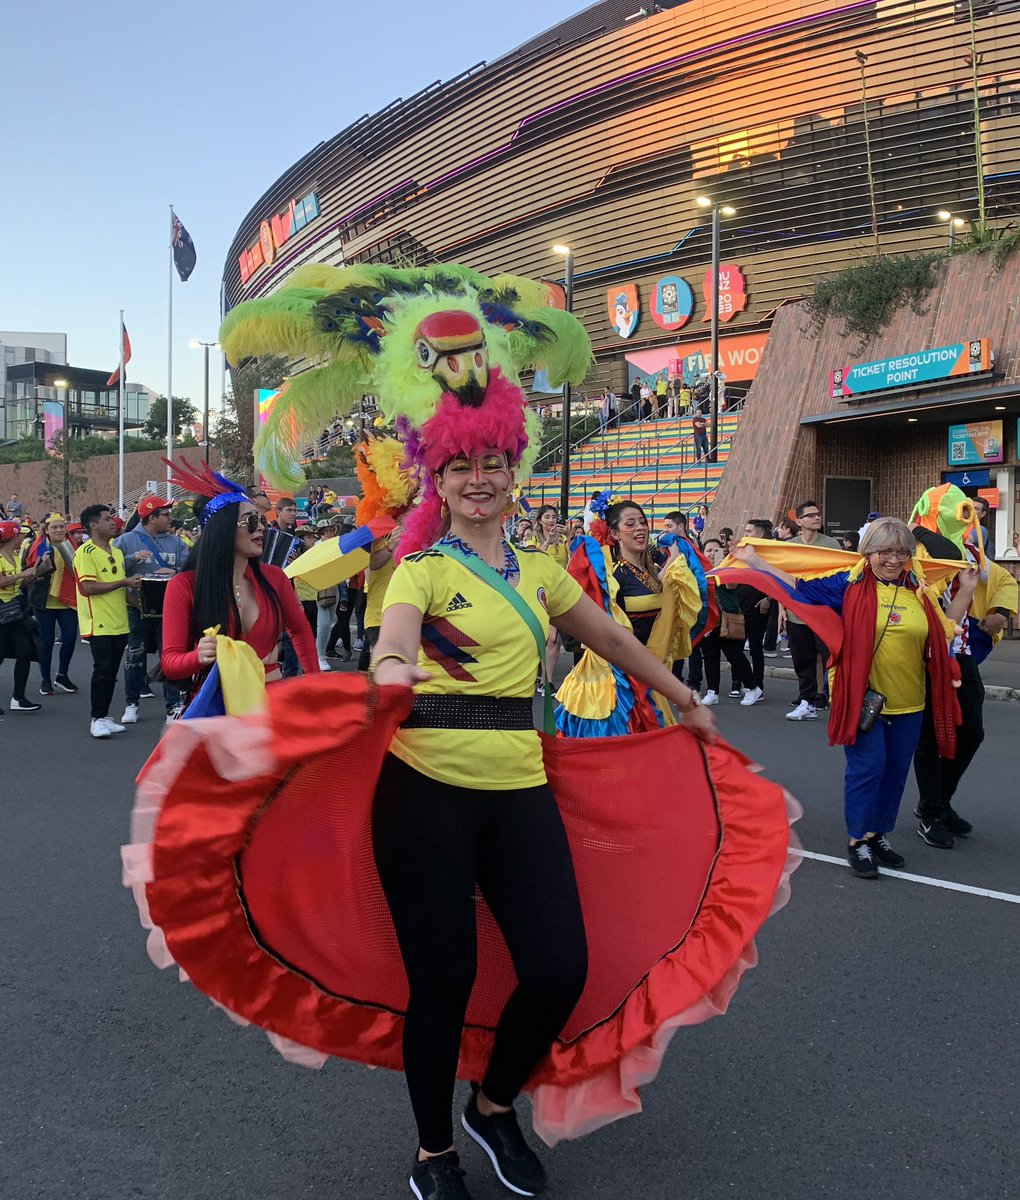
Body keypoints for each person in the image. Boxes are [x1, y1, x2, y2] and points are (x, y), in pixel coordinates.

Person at [370, 446, 715, 1199]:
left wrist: (684, 699)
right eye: (460, 468)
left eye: (491, 462)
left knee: (561, 966)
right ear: (440, 484)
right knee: (444, 979)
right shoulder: (421, 569)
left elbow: (615, 641)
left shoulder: (541, 570)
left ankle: (492, 1108)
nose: (478, 479)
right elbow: (393, 640)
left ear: (511, 474)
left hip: (520, 786)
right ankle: (433, 1154)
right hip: (424, 788)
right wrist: (392, 668)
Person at [731, 518, 962, 878]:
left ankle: (877, 834)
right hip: (863, 698)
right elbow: (798, 587)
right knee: (868, 770)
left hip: (911, 701)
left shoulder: (918, 588)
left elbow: (938, 631)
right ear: (868, 552)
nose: (893, 559)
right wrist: (757, 562)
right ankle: (858, 840)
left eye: (901, 552)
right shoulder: (849, 585)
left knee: (895, 774)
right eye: (885, 551)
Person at [160, 473, 320, 694]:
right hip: (216, 710)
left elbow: (301, 630)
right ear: (223, 529)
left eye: (261, 520)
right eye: (252, 521)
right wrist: (197, 657)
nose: (262, 528)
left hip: (271, 703)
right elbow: (170, 663)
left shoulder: (275, 578)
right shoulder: (184, 585)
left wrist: (316, 684)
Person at [115, 496, 190, 724]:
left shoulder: (176, 543)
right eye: (166, 514)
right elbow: (113, 570)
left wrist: (175, 572)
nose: (170, 518)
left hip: (169, 610)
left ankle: (173, 706)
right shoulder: (126, 541)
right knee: (134, 656)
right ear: (151, 517)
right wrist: (132, 559)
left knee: (170, 657)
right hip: (136, 608)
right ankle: (131, 703)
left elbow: (189, 569)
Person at [74, 504, 144, 738]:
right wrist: (124, 583)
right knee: (102, 669)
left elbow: (122, 587)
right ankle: (96, 718)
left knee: (111, 671)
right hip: (98, 622)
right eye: (106, 519)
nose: (112, 522)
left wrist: (141, 607)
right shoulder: (85, 553)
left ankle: (104, 716)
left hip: (119, 621)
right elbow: (89, 587)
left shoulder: (115, 551)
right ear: (93, 525)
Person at [785, 499, 841, 722]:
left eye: (818, 514)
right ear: (798, 521)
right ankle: (807, 702)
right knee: (803, 659)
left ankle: (837, 700)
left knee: (832, 658)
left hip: (825, 613)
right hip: (796, 613)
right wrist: (782, 608)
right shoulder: (789, 545)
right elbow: (782, 578)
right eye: (811, 515)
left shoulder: (831, 544)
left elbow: (841, 577)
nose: (817, 518)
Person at [23, 513, 80, 697]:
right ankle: (45, 679)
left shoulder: (72, 546)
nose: (58, 530)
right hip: (44, 600)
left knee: (70, 638)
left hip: (67, 600)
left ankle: (62, 675)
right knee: (46, 642)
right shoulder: (38, 546)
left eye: (61, 527)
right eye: (54, 527)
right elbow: (28, 571)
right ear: (46, 530)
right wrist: (41, 564)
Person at [0, 519, 43, 714]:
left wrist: (31, 576)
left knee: (25, 651)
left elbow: (18, 584)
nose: (22, 537)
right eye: (20, 534)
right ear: (12, 536)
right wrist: (21, 575)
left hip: (15, 611)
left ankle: (18, 697)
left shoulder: (15, 557)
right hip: (2, 611)